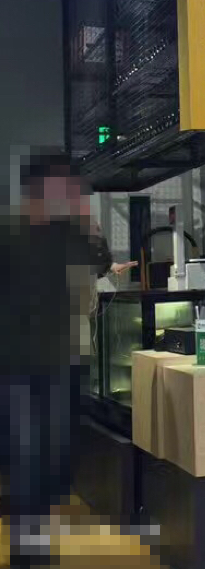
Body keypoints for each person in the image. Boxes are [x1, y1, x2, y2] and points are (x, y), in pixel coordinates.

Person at [0, 151, 116, 564]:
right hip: (17, 368)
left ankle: (34, 542)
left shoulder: (65, 234)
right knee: (29, 459)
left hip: (63, 364)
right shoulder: (10, 233)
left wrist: (87, 220)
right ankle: (30, 554)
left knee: (55, 461)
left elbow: (101, 262)